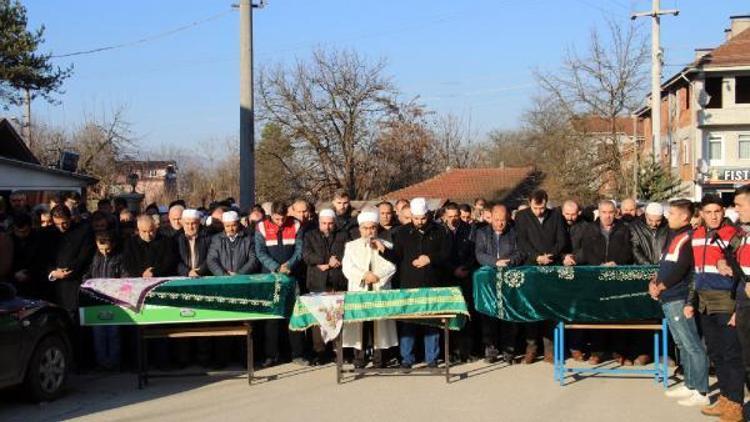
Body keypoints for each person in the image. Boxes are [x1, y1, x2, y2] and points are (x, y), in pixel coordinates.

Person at [648, 199, 710, 407]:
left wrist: (662, 286)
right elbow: (664, 264)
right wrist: (653, 282)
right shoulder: (674, 236)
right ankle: (689, 383)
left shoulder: (689, 237)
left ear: (684, 216)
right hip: (667, 297)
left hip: (678, 297)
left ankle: (701, 390)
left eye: (672, 213)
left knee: (692, 345)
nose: (667, 216)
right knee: (682, 344)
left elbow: (682, 269)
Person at [690, 194, 745, 420]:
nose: (713, 216)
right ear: (701, 214)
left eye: (717, 211)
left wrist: (738, 309)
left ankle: (735, 405)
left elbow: (743, 273)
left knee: (732, 356)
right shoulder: (696, 235)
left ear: (723, 212)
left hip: (727, 302)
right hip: (704, 303)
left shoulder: (735, 235)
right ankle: (724, 399)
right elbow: (694, 272)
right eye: (708, 212)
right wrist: (690, 300)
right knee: (716, 354)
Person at [566, 200, 634, 365]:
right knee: (597, 316)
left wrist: (615, 262)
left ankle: (619, 352)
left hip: (616, 278)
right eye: (604, 212)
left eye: (610, 212)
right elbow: (587, 250)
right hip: (595, 278)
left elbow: (628, 251)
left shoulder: (624, 229)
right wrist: (599, 264)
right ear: (599, 212)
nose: (607, 216)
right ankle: (597, 351)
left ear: (615, 212)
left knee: (617, 316)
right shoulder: (590, 229)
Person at [388, 197, 452, 369]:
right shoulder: (402, 233)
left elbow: (447, 254)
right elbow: (396, 257)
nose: (419, 222)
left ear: (428, 215)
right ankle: (407, 358)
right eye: (416, 219)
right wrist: (383, 251)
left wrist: (430, 258)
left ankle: (432, 358)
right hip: (409, 282)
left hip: (432, 282)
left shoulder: (439, 231)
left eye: (423, 218)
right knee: (408, 323)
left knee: (431, 323)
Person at [514, 189, 567, 364]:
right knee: (532, 309)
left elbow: (561, 240)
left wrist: (549, 256)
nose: (539, 211)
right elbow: (521, 241)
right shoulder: (522, 217)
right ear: (530, 203)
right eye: (536, 208)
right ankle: (531, 348)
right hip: (531, 267)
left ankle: (549, 349)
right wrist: (536, 257)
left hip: (551, 267)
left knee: (550, 309)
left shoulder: (556, 215)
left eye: (542, 207)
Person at [341, 209, 399, 368]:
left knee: (379, 324)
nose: (369, 231)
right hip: (360, 290)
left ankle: (380, 359)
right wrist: (364, 275)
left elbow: (392, 266)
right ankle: (359, 359)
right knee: (360, 324)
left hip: (379, 289)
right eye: (365, 228)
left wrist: (377, 277)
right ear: (360, 229)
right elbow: (347, 268)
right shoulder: (351, 246)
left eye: (372, 227)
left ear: (377, 228)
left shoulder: (386, 245)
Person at [255, 201, 305, 367]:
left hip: (291, 275)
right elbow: (260, 252)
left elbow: (299, 250)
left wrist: (289, 266)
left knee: (293, 314)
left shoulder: (296, 224)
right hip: (271, 276)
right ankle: (271, 355)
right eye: (277, 219)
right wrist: (276, 267)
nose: (280, 222)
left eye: (283, 218)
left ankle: (297, 353)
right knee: (272, 317)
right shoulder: (261, 226)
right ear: (271, 216)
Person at [474, 204, 525, 363]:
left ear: (508, 218)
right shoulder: (482, 233)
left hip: (508, 277)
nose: (500, 224)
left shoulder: (514, 232)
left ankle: (509, 351)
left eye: (503, 220)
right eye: (496, 220)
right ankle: (491, 350)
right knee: (489, 315)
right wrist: (495, 262)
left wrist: (509, 262)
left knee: (508, 315)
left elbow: (521, 252)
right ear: (491, 218)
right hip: (489, 279)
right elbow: (479, 254)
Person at [302, 208, 347, 365]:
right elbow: (307, 256)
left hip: (337, 281)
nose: (327, 227)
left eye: (330, 224)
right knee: (319, 319)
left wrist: (329, 263)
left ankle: (338, 350)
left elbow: (346, 254)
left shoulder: (343, 235)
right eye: (324, 223)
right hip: (318, 282)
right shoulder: (310, 235)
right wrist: (327, 261)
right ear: (319, 222)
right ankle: (320, 351)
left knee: (337, 317)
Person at [43, 205, 95, 312]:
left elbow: (84, 256)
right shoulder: (47, 233)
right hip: (53, 287)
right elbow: (43, 257)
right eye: (57, 224)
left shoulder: (83, 230)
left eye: (64, 223)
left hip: (74, 283)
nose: (61, 227)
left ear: (70, 218)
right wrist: (52, 272)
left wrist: (67, 271)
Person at [442, 202, 476, 362]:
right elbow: (440, 255)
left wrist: (465, 267)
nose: (454, 219)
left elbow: (474, 252)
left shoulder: (469, 230)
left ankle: (466, 352)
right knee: (449, 315)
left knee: (465, 314)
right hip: (447, 277)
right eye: (450, 217)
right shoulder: (440, 231)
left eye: (456, 216)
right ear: (444, 216)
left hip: (465, 276)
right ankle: (451, 352)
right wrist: (452, 270)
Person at [84, 232, 123, 370]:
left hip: (114, 300)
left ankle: (115, 363)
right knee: (98, 333)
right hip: (97, 299)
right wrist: (87, 283)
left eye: (107, 249)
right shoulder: (94, 257)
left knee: (113, 333)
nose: (105, 252)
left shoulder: (118, 257)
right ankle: (102, 363)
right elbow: (87, 274)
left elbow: (124, 276)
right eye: (101, 249)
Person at [731, 184, 750, 420]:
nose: (736, 210)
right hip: (744, 302)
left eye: (739, 205)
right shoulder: (744, 233)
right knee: (747, 359)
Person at [207, 211, 259, 276]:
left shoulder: (248, 239)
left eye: (234, 225)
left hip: (243, 278)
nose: (231, 229)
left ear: (238, 224)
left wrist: (239, 274)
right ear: (223, 225)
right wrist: (223, 275)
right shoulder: (217, 239)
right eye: (227, 226)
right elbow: (211, 260)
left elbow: (253, 259)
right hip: (222, 278)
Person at [175, 209, 212, 277]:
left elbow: (211, 257)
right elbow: (175, 260)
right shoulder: (176, 238)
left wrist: (200, 271)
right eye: (187, 223)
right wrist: (187, 272)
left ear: (198, 223)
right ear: (182, 223)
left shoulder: (208, 237)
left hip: (204, 276)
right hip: (183, 277)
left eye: (193, 223)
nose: (190, 227)